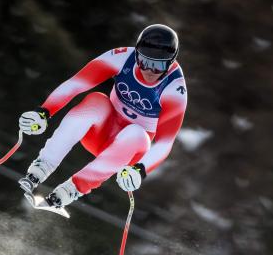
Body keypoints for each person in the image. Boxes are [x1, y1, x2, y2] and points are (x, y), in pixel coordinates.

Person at [18, 24, 187, 209]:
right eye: (144, 61)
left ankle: (71, 190)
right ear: (137, 53)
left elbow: (164, 143)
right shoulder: (123, 58)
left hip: (128, 152)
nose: (149, 70)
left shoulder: (174, 89)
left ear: (170, 63)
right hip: (100, 132)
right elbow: (76, 83)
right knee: (96, 100)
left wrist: (140, 170)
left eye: (158, 66)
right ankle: (41, 167)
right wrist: (43, 112)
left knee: (137, 133)